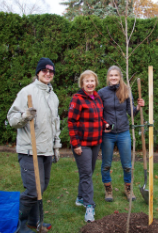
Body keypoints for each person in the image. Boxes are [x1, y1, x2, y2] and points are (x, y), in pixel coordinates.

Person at [7, 57, 61, 233]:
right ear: (38, 72)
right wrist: (24, 116)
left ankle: (33, 221)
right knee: (32, 189)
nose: (48, 73)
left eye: (51, 71)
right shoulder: (26, 92)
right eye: (44, 71)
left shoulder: (53, 96)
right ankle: (18, 224)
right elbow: (11, 118)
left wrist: (56, 146)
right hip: (30, 149)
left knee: (42, 187)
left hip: (46, 150)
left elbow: (55, 123)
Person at [98, 65, 145, 202]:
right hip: (108, 134)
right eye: (111, 75)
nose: (113, 77)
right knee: (106, 164)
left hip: (124, 132)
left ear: (120, 77)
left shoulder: (126, 91)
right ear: (108, 77)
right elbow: (97, 113)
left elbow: (131, 113)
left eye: (116, 75)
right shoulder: (102, 93)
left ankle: (128, 189)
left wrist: (138, 107)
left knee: (127, 165)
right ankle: (108, 189)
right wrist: (103, 124)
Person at [68, 70, 108, 223]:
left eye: (92, 81)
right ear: (82, 84)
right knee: (86, 174)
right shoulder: (77, 99)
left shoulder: (97, 97)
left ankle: (80, 197)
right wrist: (76, 144)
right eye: (87, 81)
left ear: (95, 82)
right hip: (82, 144)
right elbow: (71, 122)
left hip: (95, 142)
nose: (90, 83)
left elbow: (99, 117)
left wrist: (105, 124)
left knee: (88, 172)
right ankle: (89, 206)